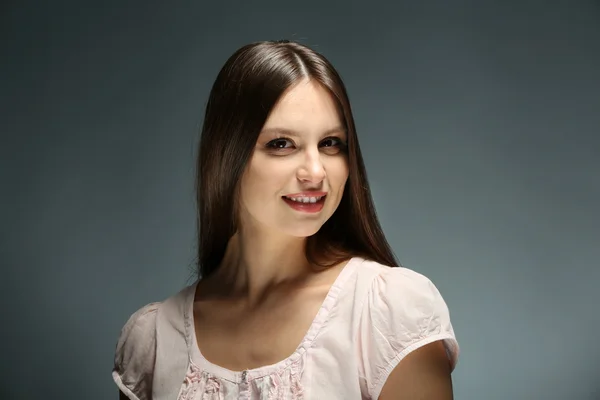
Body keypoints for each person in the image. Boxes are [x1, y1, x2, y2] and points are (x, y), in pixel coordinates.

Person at [112, 40, 460, 400]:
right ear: (225, 155)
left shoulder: (388, 313)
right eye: (282, 144)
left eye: (331, 143)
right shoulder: (153, 340)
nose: (315, 171)